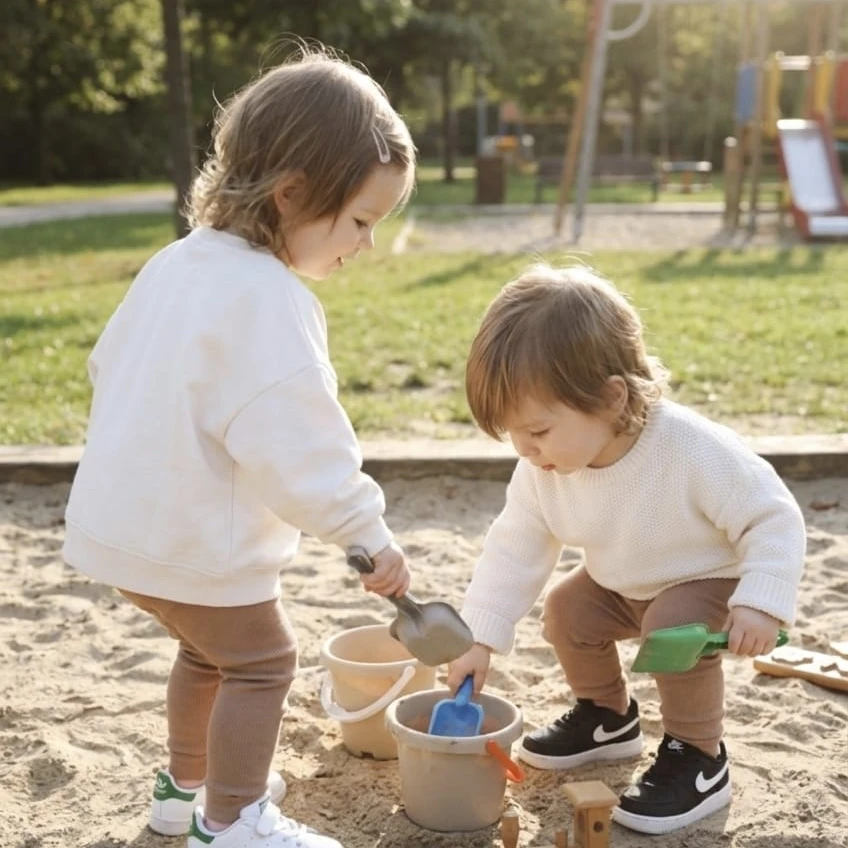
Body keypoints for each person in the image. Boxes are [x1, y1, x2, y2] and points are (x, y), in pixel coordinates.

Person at [62, 46, 417, 848]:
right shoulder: (269, 300)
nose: (364, 244)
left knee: (208, 652)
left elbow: (103, 366)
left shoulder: (174, 264)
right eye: (360, 221)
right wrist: (367, 534)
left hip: (123, 529)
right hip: (196, 538)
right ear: (293, 194)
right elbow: (305, 449)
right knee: (262, 662)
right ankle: (233, 821)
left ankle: (187, 791)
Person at [447, 263, 806, 835]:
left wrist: (762, 600)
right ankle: (608, 717)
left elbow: (773, 515)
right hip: (622, 585)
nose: (524, 448)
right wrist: (479, 635)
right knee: (567, 609)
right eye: (511, 433)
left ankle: (700, 757)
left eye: (537, 431)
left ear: (612, 400)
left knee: (670, 622)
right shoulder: (544, 472)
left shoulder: (690, 449)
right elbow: (515, 547)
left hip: (708, 582)